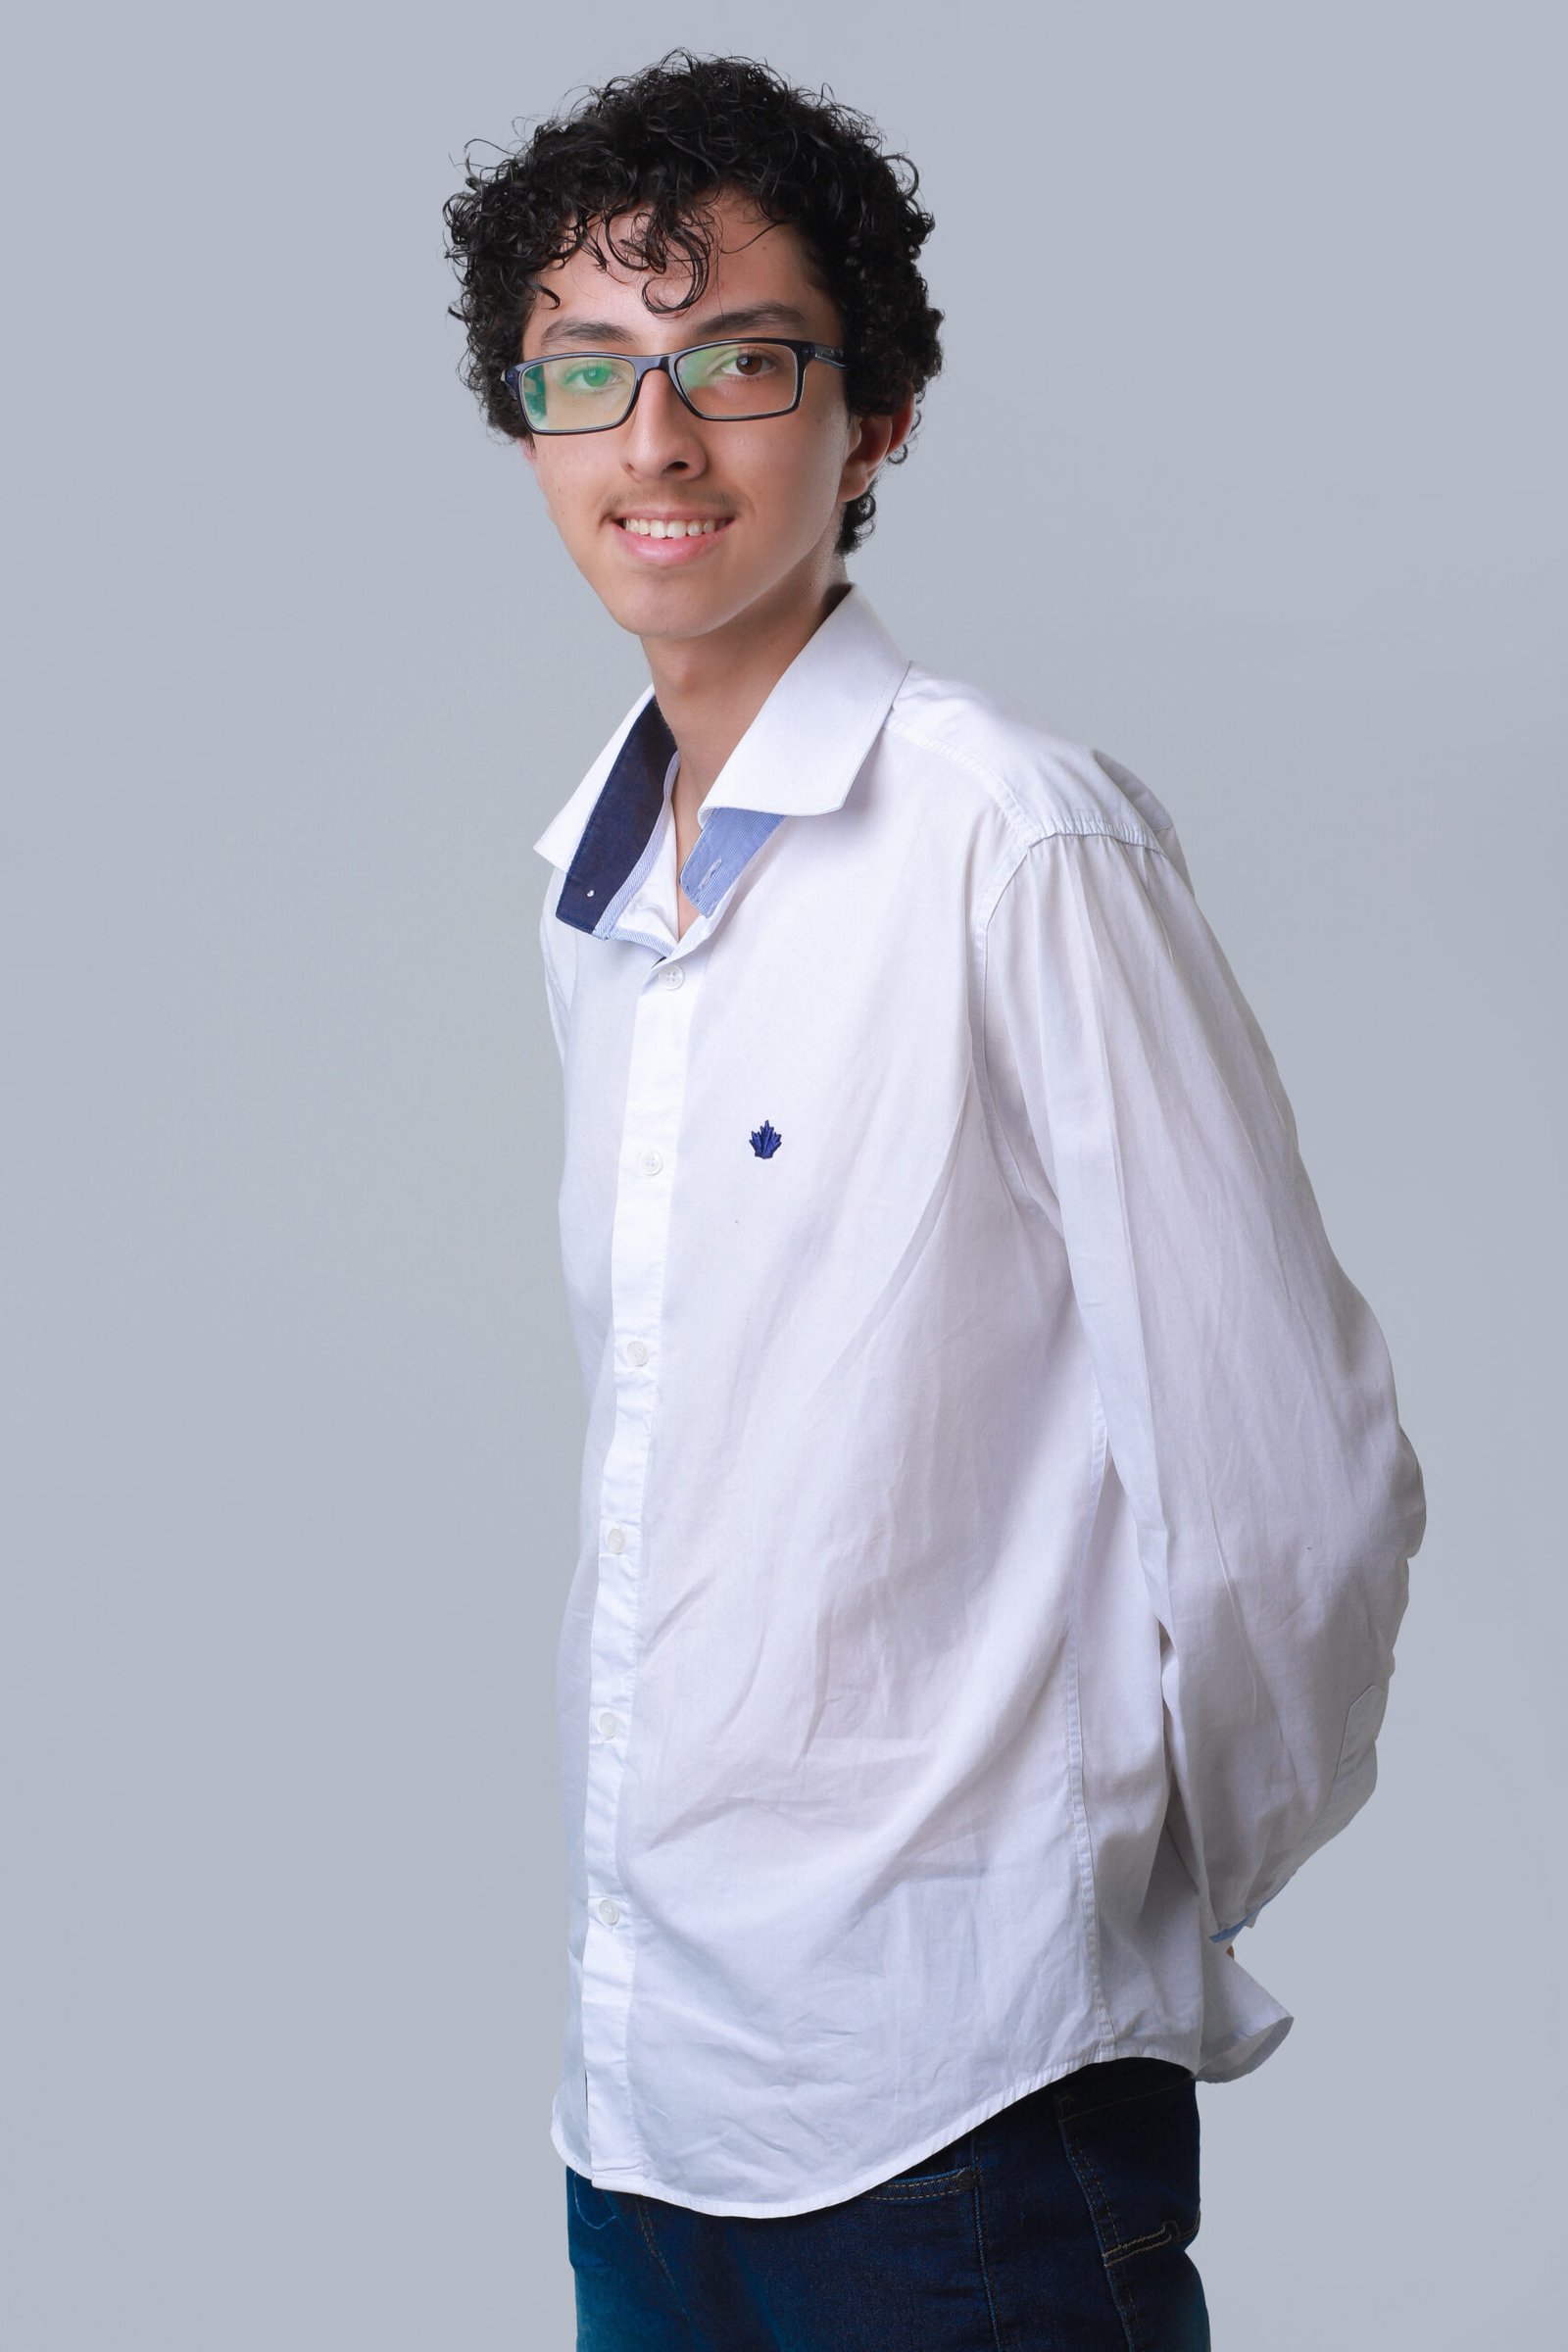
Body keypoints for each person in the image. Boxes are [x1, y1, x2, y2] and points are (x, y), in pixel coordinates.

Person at [444, 48, 1426, 2351]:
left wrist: (1091, 1895)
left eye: (738, 363)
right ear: (530, 425)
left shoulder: (1012, 840)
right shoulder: (597, 889)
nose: (654, 440)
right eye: (587, 371)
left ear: (873, 416)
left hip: (957, 2117)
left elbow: (1289, 1484)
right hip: (644, 2103)